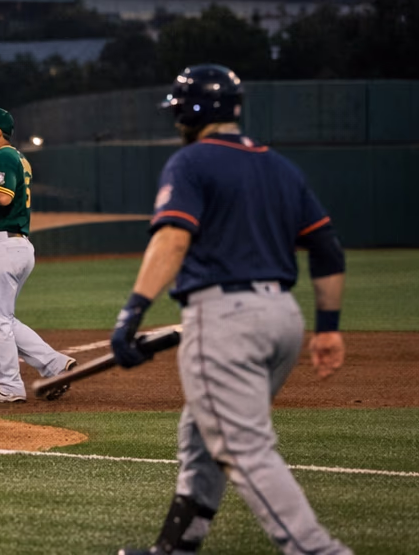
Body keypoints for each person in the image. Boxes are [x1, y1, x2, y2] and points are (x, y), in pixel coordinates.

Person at [113, 66, 350, 555]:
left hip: (226, 319)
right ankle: (176, 547)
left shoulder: (191, 161)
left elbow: (173, 238)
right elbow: (327, 249)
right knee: (200, 435)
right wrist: (328, 328)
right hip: (283, 319)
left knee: (244, 449)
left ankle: (318, 550)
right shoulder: (280, 167)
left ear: (189, 113)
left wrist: (132, 312)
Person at [0, 106, 74, 403]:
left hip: (1, 245)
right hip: (13, 245)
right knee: (1, 317)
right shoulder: (10, 158)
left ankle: (9, 386)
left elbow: (2, 196)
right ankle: (54, 364)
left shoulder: (3, 156)